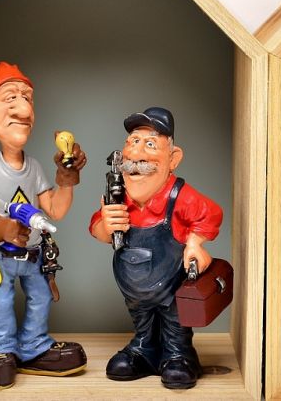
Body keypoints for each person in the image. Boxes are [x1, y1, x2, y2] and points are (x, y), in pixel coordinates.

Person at [0, 62, 88, 391]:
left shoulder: (34, 168)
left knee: (40, 298)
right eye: (11, 98)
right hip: (0, 257)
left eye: (27, 99)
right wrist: (0, 228)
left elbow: (54, 211)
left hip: (34, 256)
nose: (23, 109)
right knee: (1, 301)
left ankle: (33, 346)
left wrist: (67, 180)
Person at [89, 106, 222, 390]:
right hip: (134, 289)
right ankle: (144, 349)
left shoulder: (179, 196)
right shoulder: (118, 195)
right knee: (142, 319)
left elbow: (210, 213)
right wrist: (106, 225)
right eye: (133, 142)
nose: (136, 154)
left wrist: (195, 243)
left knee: (174, 319)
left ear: (173, 159)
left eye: (150, 144)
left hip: (171, 283)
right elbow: (97, 228)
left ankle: (177, 354)